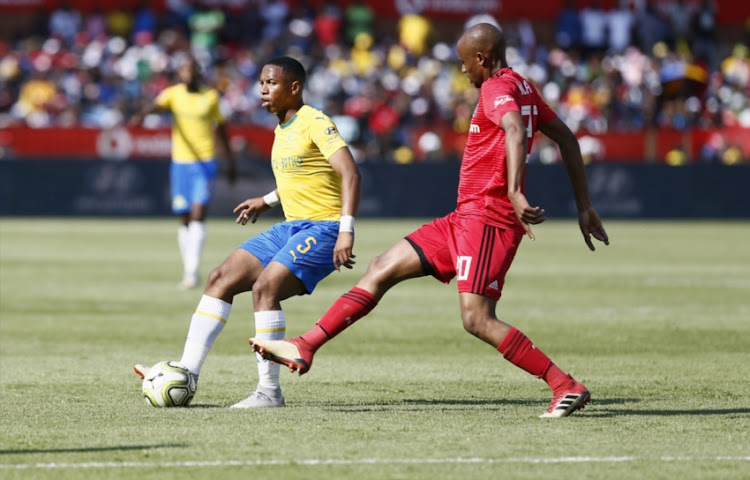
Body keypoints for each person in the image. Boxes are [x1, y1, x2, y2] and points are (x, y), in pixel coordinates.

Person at [251, 24, 610, 418]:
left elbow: (513, 130)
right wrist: (584, 206)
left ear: (482, 60)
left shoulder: (496, 89)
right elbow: (568, 139)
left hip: (488, 220)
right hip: (462, 218)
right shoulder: (524, 86)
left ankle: (565, 385)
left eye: (463, 63)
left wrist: (513, 190)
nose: (461, 71)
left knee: (476, 318)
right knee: (382, 267)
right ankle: (307, 344)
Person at [135, 56, 362, 409]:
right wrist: (267, 200)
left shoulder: (315, 121)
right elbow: (301, 178)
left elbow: (350, 174)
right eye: (261, 83)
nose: (262, 89)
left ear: (294, 87)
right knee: (220, 277)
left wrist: (346, 231)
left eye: (271, 83)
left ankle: (269, 392)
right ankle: (187, 372)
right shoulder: (280, 128)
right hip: (290, 225)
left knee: (265, 288)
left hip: (326, 227)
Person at [130, 55, 236, 290]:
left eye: (190, 70)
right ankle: (189, 268)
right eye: (183, 70)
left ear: (197, 73)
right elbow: (156, 105)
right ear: (179, 74)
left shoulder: (210, 97)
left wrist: (231, 163)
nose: (186, 74)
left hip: (205, 162)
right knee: (184, 217)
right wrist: (142, 115)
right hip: (180, 163)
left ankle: (191, 272)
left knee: (198, 214)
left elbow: (223, 130)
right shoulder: (173, 94)